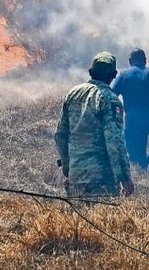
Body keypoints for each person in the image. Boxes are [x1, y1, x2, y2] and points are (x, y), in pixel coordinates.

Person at [55, 51, 134, 197]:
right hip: (102, 179)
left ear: (90, 72)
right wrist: (125, 177)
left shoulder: (73, 93)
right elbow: (114, 141)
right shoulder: (111, 100)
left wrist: (67, 164)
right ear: (114, 75)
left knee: (76, 219)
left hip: (76, 175)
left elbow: (60, 134)